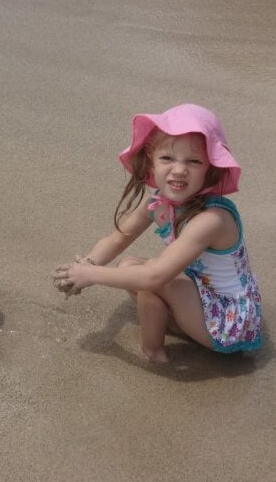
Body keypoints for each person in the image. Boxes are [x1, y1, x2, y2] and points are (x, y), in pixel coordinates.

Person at [52, 103, 262, 363]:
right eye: (167, 158)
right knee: (129, 265)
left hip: (228, 325)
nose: (179, 169)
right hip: (204, 299)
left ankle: (154, 352)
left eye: (194, 161)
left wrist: (92, 275)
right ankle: (177, 324)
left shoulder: (212, 220)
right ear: (151, 160)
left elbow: (155, 277)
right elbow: (118, 238)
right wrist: (85, 265)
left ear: (211, 169)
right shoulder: (158, 202)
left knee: (153, 279)